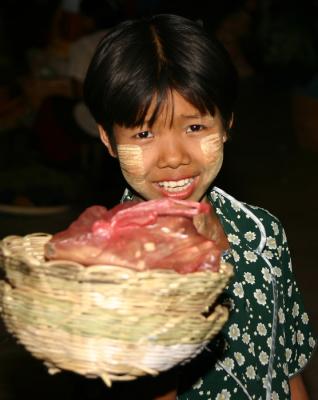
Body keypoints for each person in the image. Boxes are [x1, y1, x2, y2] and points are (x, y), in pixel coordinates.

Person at [83, 13, 316, 399]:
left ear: (226, 124)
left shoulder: (263, 232)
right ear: (108, 139)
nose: (173, 157)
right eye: (144, 133)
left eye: (195, 127)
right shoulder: (111, 271)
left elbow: (287, 368)